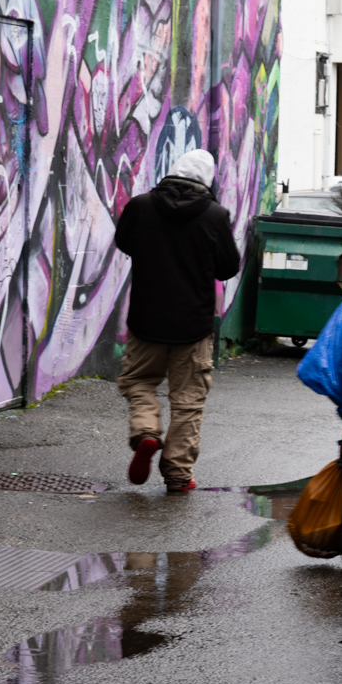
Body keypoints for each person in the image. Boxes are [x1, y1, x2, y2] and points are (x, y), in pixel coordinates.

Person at [113, 149, 241, 491]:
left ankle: (146, 432)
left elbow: (123, 242)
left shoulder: (140, 206)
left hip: (146, 319)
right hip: (193, 325)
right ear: (208, 181)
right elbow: (229, 266)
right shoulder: (215, 216)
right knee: (188, 402)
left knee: (139, 382)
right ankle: (178, 475)